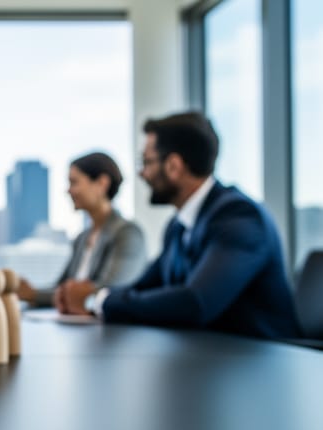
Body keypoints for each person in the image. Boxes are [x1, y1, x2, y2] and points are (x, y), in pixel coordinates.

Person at [58, 111, 301, 339]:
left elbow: (196, 303)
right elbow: (143, 287)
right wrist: (97, 297)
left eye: (146, 162)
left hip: (261, 359)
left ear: (174, 166)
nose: (142, 174)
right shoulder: (178, 227)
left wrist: (98, 300)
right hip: (210, 354)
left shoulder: (239, 218)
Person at [17, 152, 147, 306]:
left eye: (74, 182)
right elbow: (61, 287)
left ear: (102, 183)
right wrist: (29, 292)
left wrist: (34, 294)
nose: (68, 190)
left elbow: (109, 291)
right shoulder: (82, 238)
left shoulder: (127, 233)